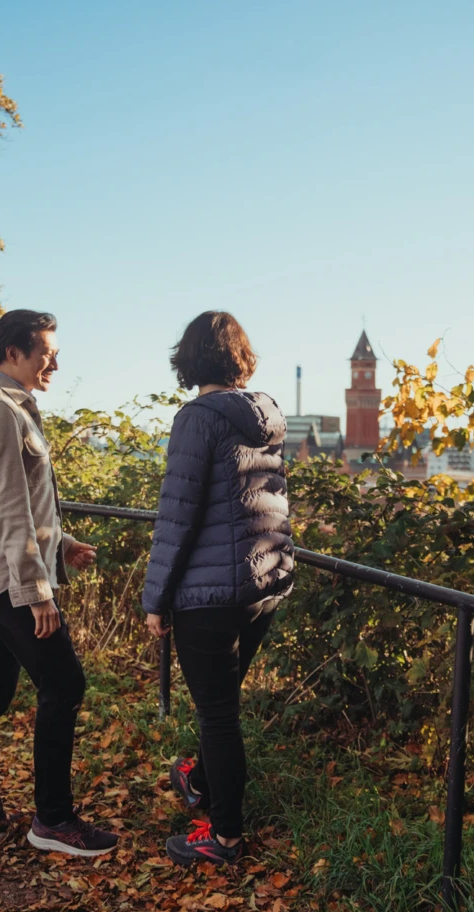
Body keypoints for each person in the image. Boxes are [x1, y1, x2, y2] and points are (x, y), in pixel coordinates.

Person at [0, 309, 118, 856]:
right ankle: (53, 820)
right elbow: (7, 507)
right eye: (47, 353)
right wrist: (37, 589)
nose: (55, 363)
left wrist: (60, 543)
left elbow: (14, 500)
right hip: (10, 582)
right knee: (64, 685)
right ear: (14, 353)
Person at [142, 310, 296, 867]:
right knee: (222, 704)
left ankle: (224, 838)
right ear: (240, 358)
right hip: (264, 583)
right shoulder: (268, 416)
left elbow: (176, 517)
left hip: (209, 597)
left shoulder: (196, 419)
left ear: (189, 359)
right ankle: (201, 781)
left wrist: (156, 600)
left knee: (218, 717)